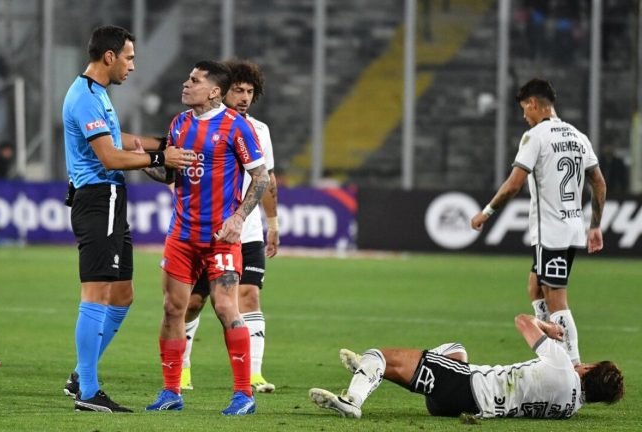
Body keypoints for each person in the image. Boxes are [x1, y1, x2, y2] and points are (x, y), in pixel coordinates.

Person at [61, 25, 195, 413]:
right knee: (97, 292)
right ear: (109, 57)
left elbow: (118, 138)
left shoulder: (96, 94)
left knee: (122, 295)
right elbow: (110, 157)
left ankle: (79, 375)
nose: (133, 66)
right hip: (98, 198)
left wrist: (160, 143)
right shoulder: (85, 97)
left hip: (112, 200)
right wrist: (160, 158)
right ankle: (87, 391)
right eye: (129, 57)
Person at [144, 60, 270, 415]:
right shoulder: (180, 123)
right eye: (188, 77)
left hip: (221, 237)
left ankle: (244, 394)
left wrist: (239, 218)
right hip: (181, 235)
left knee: (227, 307)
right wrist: (133, 161)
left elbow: (260, 177)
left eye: (195, 80)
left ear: (214, 90)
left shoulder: (236, 127)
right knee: (173, 309)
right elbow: (168, 170)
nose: (186, 84)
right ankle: (171, 392)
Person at [470, 78, 606, 366]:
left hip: (552, 233)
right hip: (571, 228)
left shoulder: (536, 136)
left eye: (524, 109)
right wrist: (595, 225)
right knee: (535, 286)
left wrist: (486, 213)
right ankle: (552, 351)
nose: (524, 116)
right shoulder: (578, 136)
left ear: (533, 103)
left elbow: (513, 185)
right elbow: (599, 182)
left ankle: (573, 368)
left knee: (557, 299)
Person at [180, 59, 280, 394]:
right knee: (192, 302)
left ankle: (253, 374)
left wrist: (272, 223)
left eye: (250, 91)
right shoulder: (198, 125)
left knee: (249, 296)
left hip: (246, 232)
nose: (245, 97)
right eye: (239, 90)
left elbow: (266, 178)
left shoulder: (259, 130)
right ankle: (182, 370)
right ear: (221, 91)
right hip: (207, 232)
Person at [309, 314, 624, 419]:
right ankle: (368, 372)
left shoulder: (562, 366)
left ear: (588, 370)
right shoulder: (571, 408)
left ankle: (354, 400)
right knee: (455, 349)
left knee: (379, 353)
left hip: (467, 385)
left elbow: (522, 321)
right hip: (465, 407)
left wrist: (549, 329)